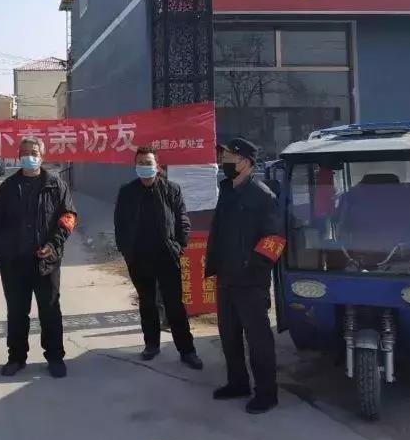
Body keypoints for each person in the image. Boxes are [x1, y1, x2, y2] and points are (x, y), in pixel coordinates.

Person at [206, 138, 285, 415]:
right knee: (229, 336)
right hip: (226, 278)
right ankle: (237, 383)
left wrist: (254, 267)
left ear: (244, 162)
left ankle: (267, 393)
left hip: (251, 282)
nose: (224, 160)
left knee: (258, 340)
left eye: (229, 155)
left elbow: (275, 240)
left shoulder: (263, 196)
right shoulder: (227, 190)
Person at [0, 137, 77, 378]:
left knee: (50, 310)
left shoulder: (56, 185)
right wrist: (2, 253)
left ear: (43, 155)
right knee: (17, 312)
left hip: (46, 262)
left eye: (35, 152)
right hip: (14, 264)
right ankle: (16, 357)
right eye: (25, 152)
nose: (30, 156)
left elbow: (68, 217)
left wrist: (53, 244)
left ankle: (55, 357)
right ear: (19, 155)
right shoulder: (8, 187)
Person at [114, 146, 204, 369]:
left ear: (157, 165)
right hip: (139, 258)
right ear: (135, 166)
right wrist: (126, 251)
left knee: (174, 305)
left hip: (167, 257)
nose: (144, 167)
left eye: (148, 163)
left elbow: (182, 219)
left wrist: (179, 246)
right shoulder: (127, 192)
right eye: (140, 163)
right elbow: (120, 224)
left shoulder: (171, 189)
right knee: (147, 303)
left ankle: (187, 350)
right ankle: (151, 345)